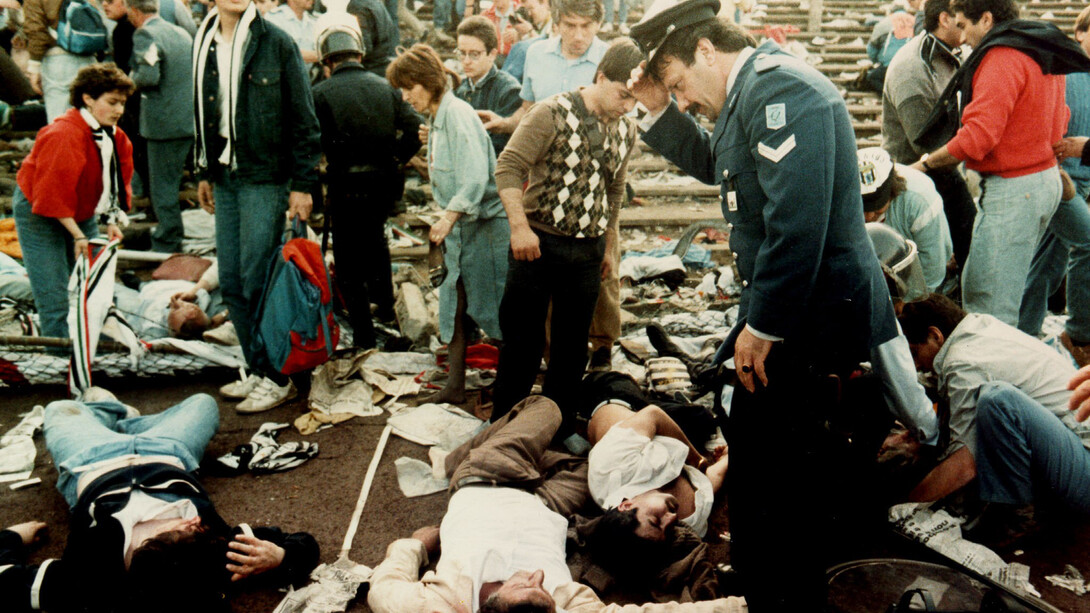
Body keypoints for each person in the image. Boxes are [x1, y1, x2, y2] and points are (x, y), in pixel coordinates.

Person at [628, 1, 906, 610]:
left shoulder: (782, 90)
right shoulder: (748, 95)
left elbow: (798, 224)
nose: (687, 99)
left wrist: (764, 324)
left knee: (788, 464)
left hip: (810, 311)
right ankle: (759, 573)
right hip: (787, 304)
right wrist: (657, 107)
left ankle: (791, 589)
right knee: (757, 447)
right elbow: (713, 160)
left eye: (680, 84)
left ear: (705, 51)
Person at [367, 395, 745, 613]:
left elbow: (381, 586)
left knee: (546, 407)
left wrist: (415, 546)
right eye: (543, 590)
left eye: (526, 585)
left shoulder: (432, 607)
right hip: (551, 505)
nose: (540, 576)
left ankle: (457, 459)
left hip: (486, 478)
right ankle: (548, 457)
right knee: (605, 467)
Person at [0, 389, 319, 611]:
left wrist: (13, 536)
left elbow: (4, 582)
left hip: (90, 460)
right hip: (169, 450)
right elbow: (306, 545)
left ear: (146, 545)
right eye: (199, 530)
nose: (197, 522)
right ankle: (124, 421)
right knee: (203, 403)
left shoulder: (87, 577)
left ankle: (112, 415)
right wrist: (280, 556)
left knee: (57, 408)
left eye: (186, 529)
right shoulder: (216, 553)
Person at [910, 0, 1088, 327]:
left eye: (964, 26)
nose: (961, 38)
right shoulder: (1039, 44)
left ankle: (995, 376)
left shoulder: (1002, 56)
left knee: (988, 305)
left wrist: (926, 164)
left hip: (1016, 188)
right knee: (1004, 291)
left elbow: (978, 136)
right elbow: (1060, 120)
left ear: (987, 19)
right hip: (1043, 179)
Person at [490, 38, 640, 423]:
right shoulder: (551, 112)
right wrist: (519, 229)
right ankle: (505, 421)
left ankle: (557, 422)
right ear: (601, 76)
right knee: (523, 343)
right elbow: (508, 168)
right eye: (623, 94)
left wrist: (608, 247)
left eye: (634, 100)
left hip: (587, 250)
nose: (628, 106)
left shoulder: (627, 127)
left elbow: (615, 189)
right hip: (539, 244)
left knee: (572, 347)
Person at [192, 0, 321, 413]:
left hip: (264, 176)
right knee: (230, 279)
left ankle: (278, 376)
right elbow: (204, 111)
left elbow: (304, 117)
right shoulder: (205, 41)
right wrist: (204, 170)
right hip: (225, 176)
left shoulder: (276, 43)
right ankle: (259, 367)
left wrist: (303, 184)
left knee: (257, 277)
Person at [388, 44, 509, 404]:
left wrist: (449, 216)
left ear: (429, 82)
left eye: (410, 88)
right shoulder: (437, 119)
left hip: (484, 228)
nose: (405, 96)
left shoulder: (457, 115)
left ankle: (509, 389)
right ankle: (454, 385)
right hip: (458, 231)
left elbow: (474, 177)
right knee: (453, 307)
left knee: (494, 310)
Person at [898, 294, 1090, 508]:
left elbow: (964, 465)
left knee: (998, 400)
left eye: (915, 354)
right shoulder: (979, 326)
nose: (915, 366)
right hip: (1074, 447)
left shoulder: (962, 361)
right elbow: (935, 386)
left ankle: (1012, 516)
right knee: (993, 402)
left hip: (1085, 465)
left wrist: (906, 503)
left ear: (935, 336)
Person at [312, 24, 421, 349]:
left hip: (345, 185)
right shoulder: (384, 87)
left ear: (327, 62)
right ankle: (385, 306)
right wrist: (396, 159)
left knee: (348, 258)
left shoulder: (320, 93)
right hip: (382, 185)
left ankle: (364, 334)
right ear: (359, 54)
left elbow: (308, 142)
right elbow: (416, 127)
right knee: (376, 242)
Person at [13, 63, 132, 340]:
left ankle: (94, 354)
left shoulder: (116, 138)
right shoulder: (63, 134)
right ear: (88, 99)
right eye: (112, 102)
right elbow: (51, 194)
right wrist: (78, 236)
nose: (119, 110)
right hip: (38, 211)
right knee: (53, 292)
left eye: (123, 103)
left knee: (93, 289)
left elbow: (117, 183)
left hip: (80, 208)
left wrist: (112, 221)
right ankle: (58, 360)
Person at [881, 0, 975, 273]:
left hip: (941, 166)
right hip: (914, 176)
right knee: (953, 259)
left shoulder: (952, 52)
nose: (967, 20)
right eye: (962, 15)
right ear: (945, 19)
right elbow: (924, 143)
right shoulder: (911, 67)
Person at [1022, 6, 1090, 369]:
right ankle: (1079, 332)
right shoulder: (1064, 70)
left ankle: (1024, 330)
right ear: (1080, 33)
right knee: (1085, 245)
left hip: (1082, 181)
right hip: (1062, 179)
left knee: (1047, 263)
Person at [585, 401, 729, 540]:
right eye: (668, 531)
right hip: (664, 437)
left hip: (616, 401)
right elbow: (708, 483)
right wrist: (727, 457)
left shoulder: (613, 467)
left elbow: (653, 414)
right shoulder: (688, 521)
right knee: (703, 417)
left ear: (626, 505)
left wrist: (697, 460)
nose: (672, 518)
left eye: (655, 521)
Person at [127, 0, 195, 254]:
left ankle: (167, 239)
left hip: (163, 123)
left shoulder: (146, 34)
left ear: (134, 11)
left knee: (162, 185)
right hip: (188, 119)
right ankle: (171, 233)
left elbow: (148, 76)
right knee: (176, 181)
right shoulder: (180, 32)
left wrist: (129, 78)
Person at [857, 147, 953, 292]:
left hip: (920, 269)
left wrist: (911, 305)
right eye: (863, 207)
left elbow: (932, 269)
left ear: (892, 190)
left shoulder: (920, 200)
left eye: (877, 208)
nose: (869, 217)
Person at [454, 16, 522, 155]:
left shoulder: (509, 90)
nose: (466, 61)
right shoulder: (458, 87)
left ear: (492, 54)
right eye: (461, 53)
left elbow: (497, 147)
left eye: (474, 54)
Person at [22, 0, 97, 120]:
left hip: (58, 60)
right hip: (89, 57)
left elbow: (36, 29)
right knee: (90, 121)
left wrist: (34, 66)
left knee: (59, 120)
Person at [859, 6, 916, 92]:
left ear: (891, 13)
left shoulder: (884, 22)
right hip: (911, 66)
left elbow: (871, 49)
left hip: (889, 65)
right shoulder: (916, 21)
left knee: (872, 78)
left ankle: (888, 94)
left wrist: (876, 61)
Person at [501, 0, 551, 84]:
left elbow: (546, 50)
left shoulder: (553, 24)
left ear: (545, 4)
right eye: (526, 10)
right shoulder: (534, 23)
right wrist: (518, 34)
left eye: (531, 9)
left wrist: (530, 31)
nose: (529, 14)